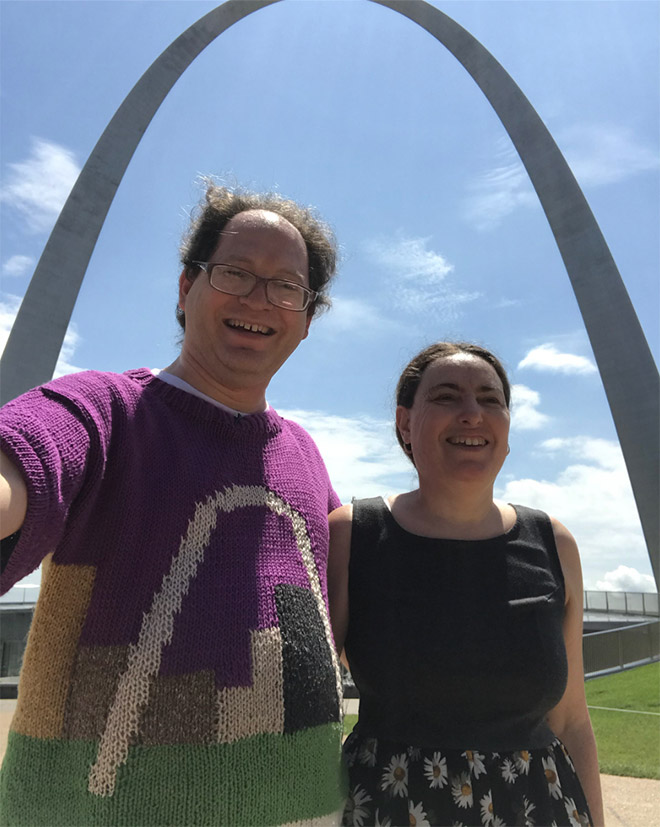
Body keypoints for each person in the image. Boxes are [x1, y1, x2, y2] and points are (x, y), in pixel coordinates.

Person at [0, 184, 346, 826]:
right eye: (235, 272)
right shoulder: (104, 411)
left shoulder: (305, 454)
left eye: (286, 287)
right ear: (186, 288)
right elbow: (25, 462)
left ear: (304, 318)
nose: (258, 299)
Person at [328, 342, 604, 827]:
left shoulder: (554, 543)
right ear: (404, 423)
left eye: (490, 399)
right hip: (391, 809)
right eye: (447, 397)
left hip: (537, 808)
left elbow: (572, 721)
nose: (472, 414)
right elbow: (315, 702)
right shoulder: (353, 535)